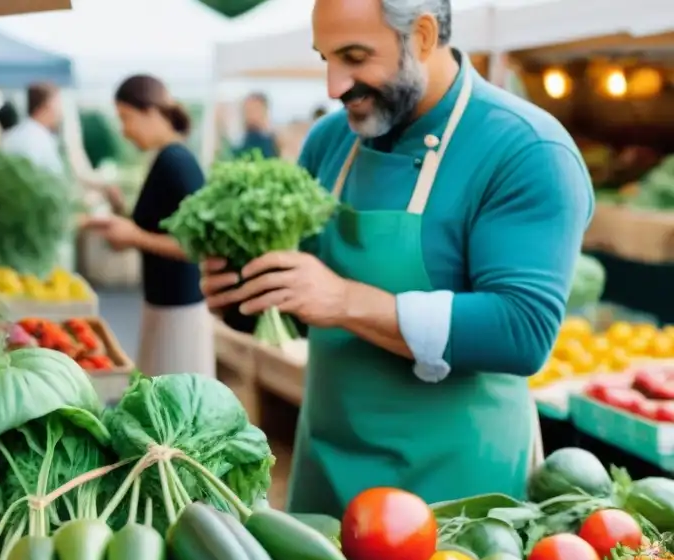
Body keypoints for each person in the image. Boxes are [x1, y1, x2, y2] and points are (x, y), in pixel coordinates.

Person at [202, 0, 592, 517]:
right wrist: (248, 297)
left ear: (424, 36)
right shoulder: (330, 141)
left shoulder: (525, 149)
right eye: (325, 59)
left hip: (455, 494)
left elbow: (521, 331)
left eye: (355, 57)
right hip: (327, 471)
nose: (334, 86)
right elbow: (303, 306)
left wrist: (344, 300)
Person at [90, 74, 215, 378]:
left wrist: (134, 236)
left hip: (179, 312)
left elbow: (199, 246)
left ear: (150, 111)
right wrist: (122, 211)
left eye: (126, 118)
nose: (124, 130)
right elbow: (161, 227)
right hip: (164, 305)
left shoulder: (176, 162)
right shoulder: (166, 158)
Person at [0, 83, 65, 177]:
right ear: (47, 106)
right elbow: (54, 177)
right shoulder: (39, 140)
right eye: (58, 105)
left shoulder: (13, 135)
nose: (60, 113)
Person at [233, 92, 279, 159]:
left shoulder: (276, 144)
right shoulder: (237, 145)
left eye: (255, 110)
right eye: (247, 110)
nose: (250, 115)